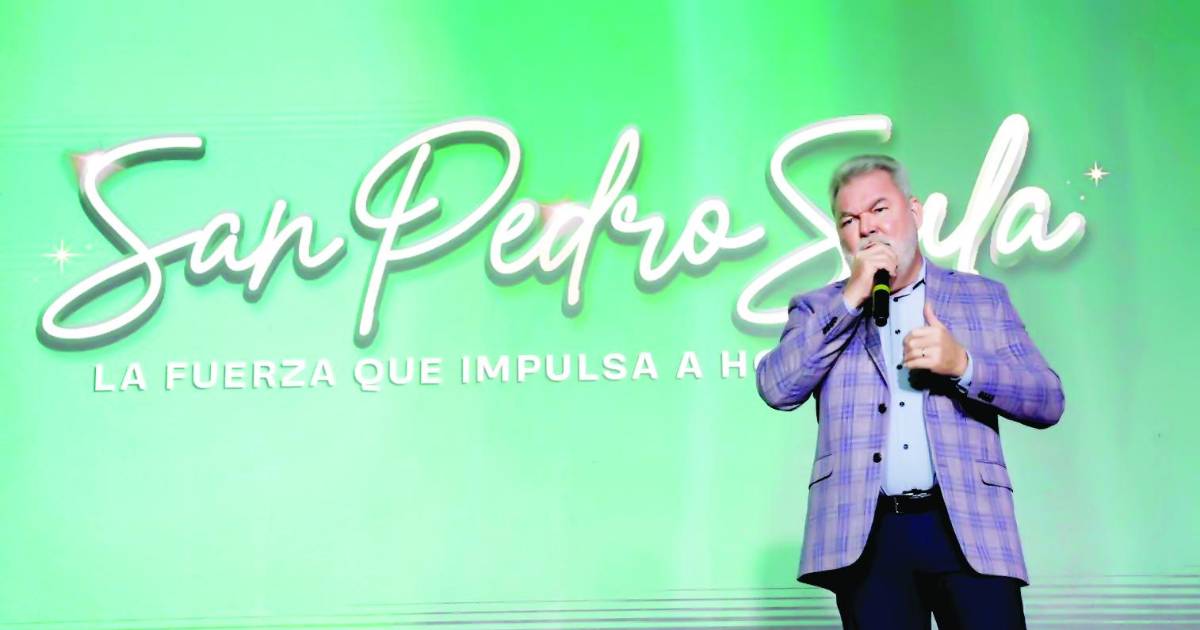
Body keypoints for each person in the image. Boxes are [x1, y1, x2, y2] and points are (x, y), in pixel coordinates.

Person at [755, 155, 1064, 629]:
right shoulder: (819, 309)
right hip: (867, 535)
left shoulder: (982, 297)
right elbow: (778, 387)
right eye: (849, 220)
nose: (867, 228)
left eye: (879, 209)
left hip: (969, 524)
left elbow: (1047, 399)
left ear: (914, 211)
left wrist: (964, 366)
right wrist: (851, 297)